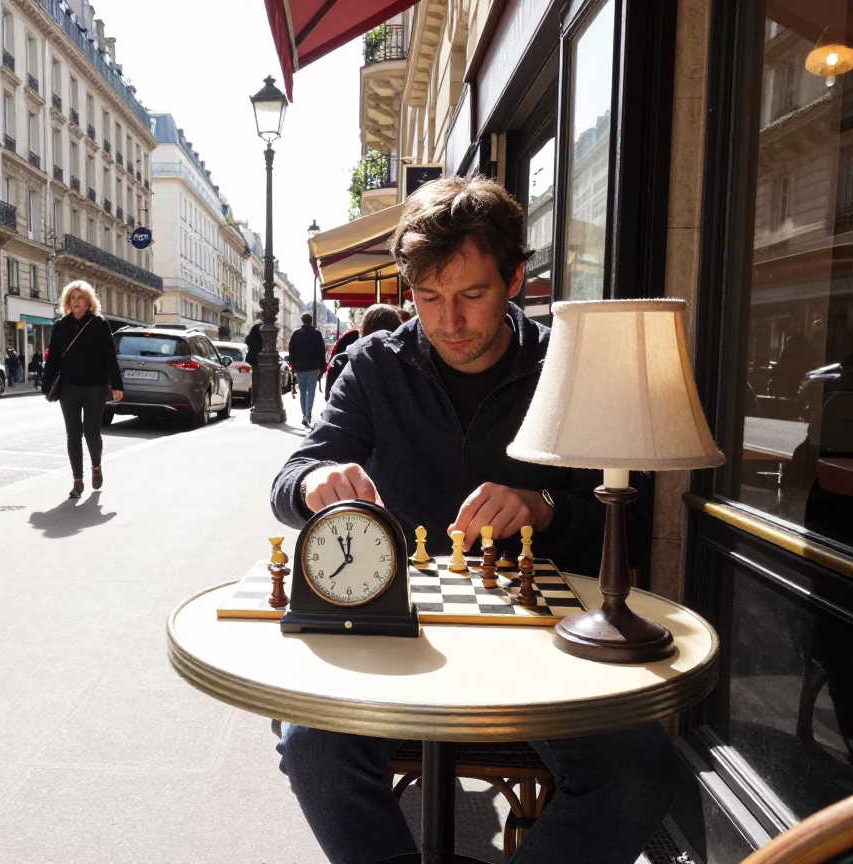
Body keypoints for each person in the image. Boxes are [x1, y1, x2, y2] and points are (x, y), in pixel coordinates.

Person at [270, 175, 674, 864]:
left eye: (472, 295)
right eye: (428, 298)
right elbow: (289, 480)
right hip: (396, 629)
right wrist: (317, 480)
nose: (448, 322)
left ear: (515, 278)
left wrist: (542, 509)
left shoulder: (566, 365)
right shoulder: (374, 365)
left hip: (542, 639)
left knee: (642, 771)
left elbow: (630, 532)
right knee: (310, 749)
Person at [42, 280, 124, 497]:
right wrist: (46, 384)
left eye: (80, 298)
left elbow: (109, 358)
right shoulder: (60, 326)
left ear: (88, 302)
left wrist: (117, 385)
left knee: (91, 433)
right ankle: (77, 481)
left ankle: (96, 467)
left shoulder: (99, 325)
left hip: (95, 388)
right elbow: (53, 360)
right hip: (68, 388)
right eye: (72, 298)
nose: (76, 302)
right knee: (73, 434)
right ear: (68, 302)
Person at [287, 311, 327, 426]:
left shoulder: (296, 334)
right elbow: (322, 351)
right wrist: (323, 366)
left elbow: (291, 351)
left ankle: (304, 414)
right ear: (311, 320)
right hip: (313, 367)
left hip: (300, 367)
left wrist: (292, 365)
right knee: (311, 391)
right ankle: (308, 412)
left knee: (303, 392)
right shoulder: (317, 334)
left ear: (302, 321)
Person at [245, 320, 263, 404]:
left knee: (254, 382)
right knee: (260, 382)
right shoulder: (262, 336)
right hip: (262, 360)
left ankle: (254, 400)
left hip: (251, 360)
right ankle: (259, 399)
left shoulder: (251, 336)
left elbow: (247, 341)